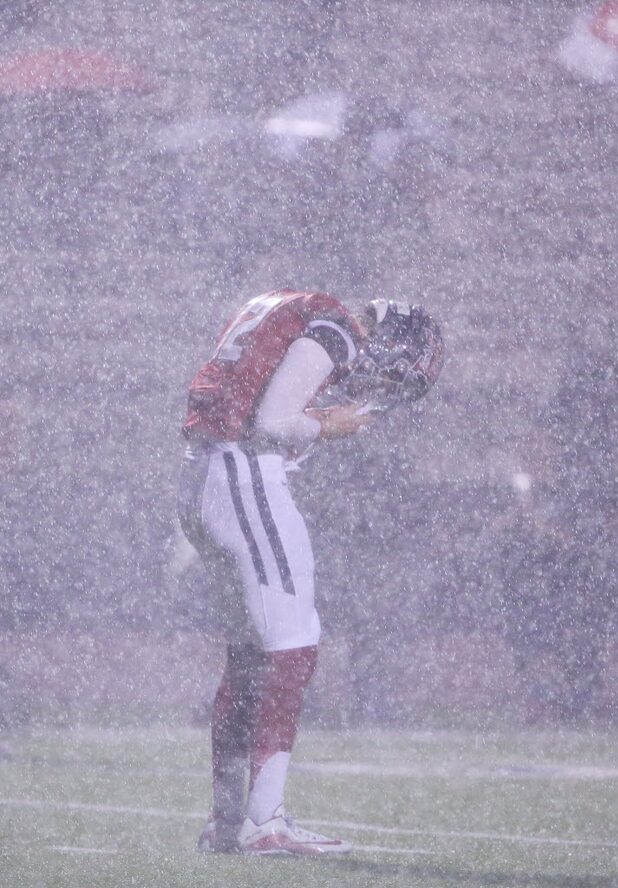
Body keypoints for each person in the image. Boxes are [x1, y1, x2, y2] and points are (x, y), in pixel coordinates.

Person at [177, 288, 443, 855]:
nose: (381, 385)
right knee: (293, 645)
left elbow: (244, 399)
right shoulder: (335, 331)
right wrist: (328, 426)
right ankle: (263, 821)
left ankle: (228, 820)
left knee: (250, 653)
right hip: (245, 475)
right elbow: (271, 421)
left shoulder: (283, 305)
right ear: (388, 346)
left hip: (205, 474)